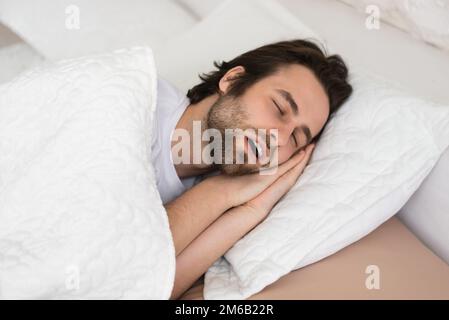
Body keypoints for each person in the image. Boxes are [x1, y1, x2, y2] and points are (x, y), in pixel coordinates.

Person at [150, 39, 353, 299]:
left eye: (295, 139)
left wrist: (248, 207)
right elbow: (118, 261)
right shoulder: (133, 102)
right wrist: (218, 193)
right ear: (232, 80)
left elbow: (144, 288)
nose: (279, 139)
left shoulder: (211, 193)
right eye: (279, 108)